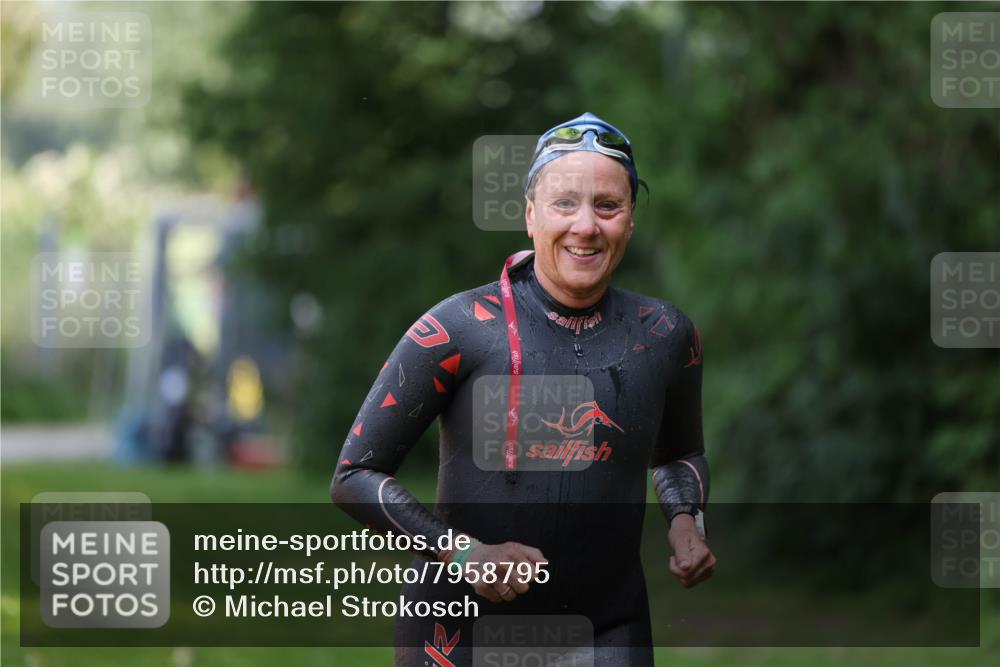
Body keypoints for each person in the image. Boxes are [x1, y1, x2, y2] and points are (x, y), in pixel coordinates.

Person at [330, 112, 716, 666]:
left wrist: (685, 523)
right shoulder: (458, 327)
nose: (586, 226)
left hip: (608, 630)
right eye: (564, 204)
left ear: (630, 220)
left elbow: (681, 453)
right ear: (530, 215)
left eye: (607, 206)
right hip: (458, 631)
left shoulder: (663, 335)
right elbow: (353, 476)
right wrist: (464, 553)